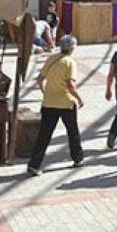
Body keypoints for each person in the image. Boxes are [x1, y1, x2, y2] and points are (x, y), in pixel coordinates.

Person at [28, 35, 84, 176]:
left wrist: (45, 92)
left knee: (44, 135)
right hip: (66, 103)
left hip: (49, 103)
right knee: (73, 132)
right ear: (72, 48)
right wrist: (79, 98)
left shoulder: (51, 58)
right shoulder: (70, 62)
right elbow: (70, 85)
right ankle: (78, 159)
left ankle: (34, 165)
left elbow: (40, 79)